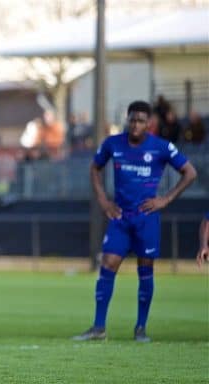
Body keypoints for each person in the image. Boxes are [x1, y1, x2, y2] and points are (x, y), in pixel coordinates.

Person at [74, 100, 197, 343]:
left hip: (146, 219)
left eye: (141, 120)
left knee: (145, 272)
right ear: (127, 120)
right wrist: (103, 200)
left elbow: (190, 172)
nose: (135, 124)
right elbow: (94, 168)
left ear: (149, 123)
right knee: (107, 264)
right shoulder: (112, 143)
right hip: (120, 217)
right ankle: (99, 327)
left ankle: (140, 328)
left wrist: (166, 199)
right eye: (132, 119)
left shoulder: (161, 147)